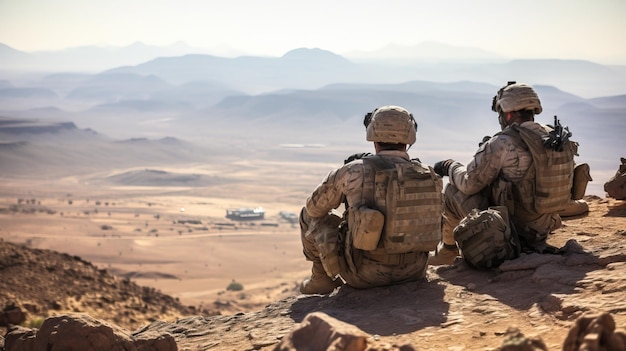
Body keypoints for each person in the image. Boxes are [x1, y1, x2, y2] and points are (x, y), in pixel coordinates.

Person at [430, 81, 590, 266]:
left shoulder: (504, 142)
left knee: (452, 191)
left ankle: (447, 252)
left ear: (507, 114)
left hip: (510, 228)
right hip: (543, 225)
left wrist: (450, 166)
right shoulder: (555, 137)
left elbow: (469, 183)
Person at [299, 105, 442, 294]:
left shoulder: (354, 170)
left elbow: (314, 209)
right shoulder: (427, 175)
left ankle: (321, 279)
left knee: (307, 216)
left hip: (364, 275)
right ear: (410, 137)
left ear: (373, 135)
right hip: (414, 272)